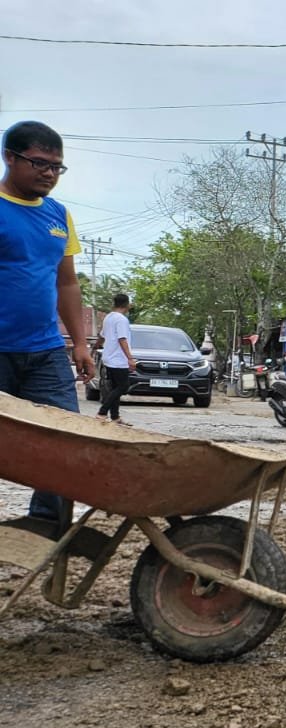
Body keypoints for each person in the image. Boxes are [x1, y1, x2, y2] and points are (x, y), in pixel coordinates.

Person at [0, 121, 91, 528]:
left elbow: (66, 281)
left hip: (44, 352)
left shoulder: (58, 215)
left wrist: (80, 343)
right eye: (39, 163)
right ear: (9, 157)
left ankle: (43, 528)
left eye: (57, 167)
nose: (49, 173)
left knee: (67, 441)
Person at [96, 293, 136, 425]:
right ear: (127, 305)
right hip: (118, 359)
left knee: (115, 387)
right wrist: (130, 358)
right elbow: (122, 338)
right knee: (123, 387)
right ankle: (102, 412)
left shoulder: (108, 317)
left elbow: (102, 336)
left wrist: (93, 349)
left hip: (109, 357)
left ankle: (115, 417)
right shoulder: (121, 320)